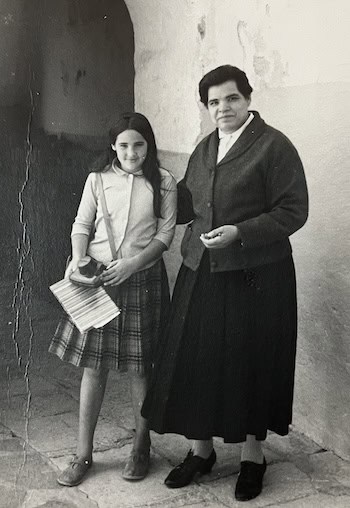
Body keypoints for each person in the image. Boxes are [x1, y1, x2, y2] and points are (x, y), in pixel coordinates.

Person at [142, 65, 308, 501]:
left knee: (249, 364)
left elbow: (294, 211)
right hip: (201, 270)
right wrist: (142, 192)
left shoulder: (274, 146)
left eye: (231, 98)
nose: (223, 108)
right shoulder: (205, 147)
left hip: (256, 275)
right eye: (214, 102)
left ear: (248, 98)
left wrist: (241, 232)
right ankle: (201, 452)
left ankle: (253, 458)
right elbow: (186, 201)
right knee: (196, 361)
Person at [49, 112, 177, 487]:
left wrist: (133, 264)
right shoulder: (98, 179)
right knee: (94, 367)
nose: (132, 152)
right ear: (113, 147)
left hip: (142, 278)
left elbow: (165, 234)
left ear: (148, 145)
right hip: (99, 279)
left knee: (141, 368)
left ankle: (141, 446)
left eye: (138, 144)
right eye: (123, 145)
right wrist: (78, 260)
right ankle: (82, 453)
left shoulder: (164, 181)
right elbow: (81, 226)